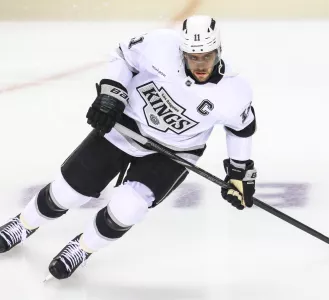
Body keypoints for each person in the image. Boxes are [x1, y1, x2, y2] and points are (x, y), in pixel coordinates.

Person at [0, 15, 257, 280]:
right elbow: (123, 55)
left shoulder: (234, 90)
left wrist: (239, 171)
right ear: (182, 51)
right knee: (68, 193)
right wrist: (112, 94)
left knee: (127, 209)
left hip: (175, 152)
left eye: (207, 56)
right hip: (126, 127)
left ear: (218, 51)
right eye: (193, 56)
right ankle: (23, 224)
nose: (200, 64)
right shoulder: (159, 46)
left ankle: (83, 247)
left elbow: (241, 128)